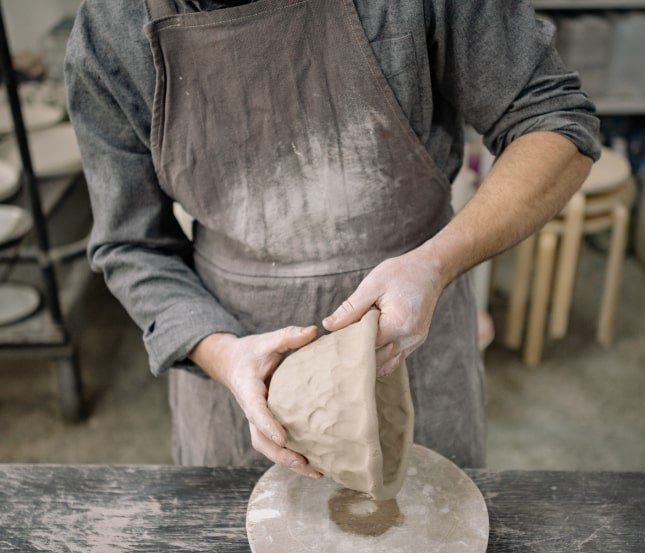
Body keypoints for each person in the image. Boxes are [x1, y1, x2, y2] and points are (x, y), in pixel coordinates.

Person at [66, 0, 599, 477]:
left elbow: (554, 122)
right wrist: (222, 354)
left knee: (426, 532)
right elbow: (131, 244)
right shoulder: (111, 27)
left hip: (414, 333)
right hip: (240, 369)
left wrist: (437, 262)